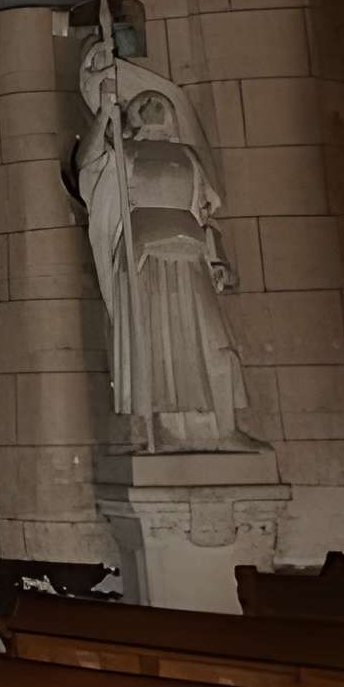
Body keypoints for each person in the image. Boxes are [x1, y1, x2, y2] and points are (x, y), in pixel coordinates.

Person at [74, 35, 251, 451]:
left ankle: (224, 429)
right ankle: (166, 431)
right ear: (133, 115)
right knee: (160, 349)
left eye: (160, 102)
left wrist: (218, 259)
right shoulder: (126, 155)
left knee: (214, 344)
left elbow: (205, 217)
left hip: (191, 258)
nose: (153, 104)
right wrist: (103, 110)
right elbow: (88, 166)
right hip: (146, 260)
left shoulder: (189, 157)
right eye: (144, 102)